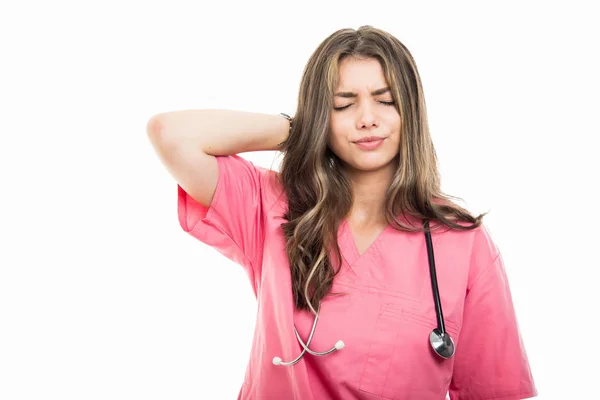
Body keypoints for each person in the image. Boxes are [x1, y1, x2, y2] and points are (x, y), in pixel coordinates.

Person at [146, 25, 537, 400]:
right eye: (343, 105)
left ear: (411, 113)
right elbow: (172, 134)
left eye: (386, 101)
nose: (367, 119)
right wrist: (303, 128)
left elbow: (492, 392)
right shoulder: (270, 205)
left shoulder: (462, 242)